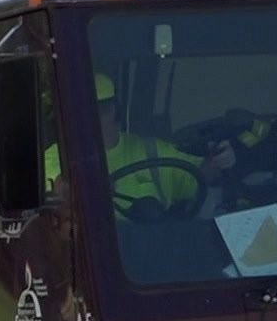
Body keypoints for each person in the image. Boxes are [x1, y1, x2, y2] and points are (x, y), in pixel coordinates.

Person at [43, 71, 236, 217]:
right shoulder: (51, 161)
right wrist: (66, 199)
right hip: (90, 258)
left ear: (117, 112)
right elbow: (41, 217)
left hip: (153, 257)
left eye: (102, 109)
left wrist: (219, 160)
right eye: (84, 110)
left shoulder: (151, 150)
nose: (93, 118)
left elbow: (199, 175)